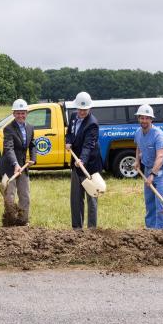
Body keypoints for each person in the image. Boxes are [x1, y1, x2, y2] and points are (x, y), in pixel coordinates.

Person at [65, 91, 102, 229]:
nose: (81, 112)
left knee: (91, 198)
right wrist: (68, 141)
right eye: (80, 109)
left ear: (89, 108)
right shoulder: (73, 116)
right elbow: (69, 133)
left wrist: (82, 160)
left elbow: (88, 145)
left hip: (90, 166)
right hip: (76, 164)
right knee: (76, 198)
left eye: (84, 109)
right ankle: (76, 228)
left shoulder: (93, 124)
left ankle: (92, 230)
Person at [133, 104, 163, 229]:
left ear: (151, 119)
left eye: (147, 118)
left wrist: (153, 175)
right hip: (148, 168)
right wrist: (137, 160)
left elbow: (160, 157)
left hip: (161, 171)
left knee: (159, 201)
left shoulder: (158, 135)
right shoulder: (138, 132)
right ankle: (150, 230)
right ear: (139, 118)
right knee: (149, 201)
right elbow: (138, 146)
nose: (144, 120)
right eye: (142, 118)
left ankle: (161, 231)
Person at [1, 98, 37, 223]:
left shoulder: (30, 128)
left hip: (23, 166)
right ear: (14, 114)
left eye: (23, 113)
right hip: (9, 166)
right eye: (18, 113)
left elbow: (32, 144)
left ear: (26, 113)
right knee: (9, 195)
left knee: (25, 195)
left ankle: (23, 222)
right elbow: (8, 148)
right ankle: (10, 221)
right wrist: (15, 164)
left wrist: (33, 158)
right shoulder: (8, 129)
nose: (21, 115)